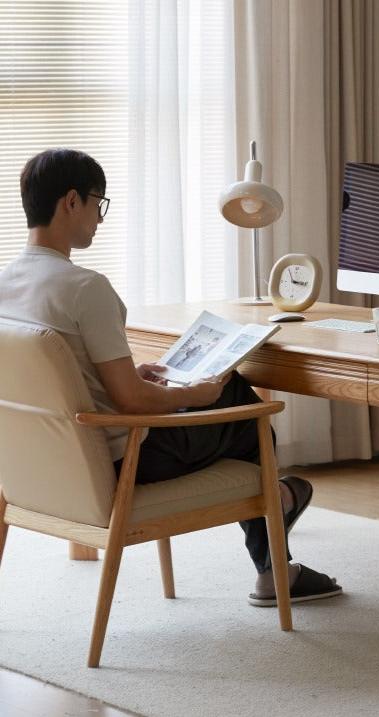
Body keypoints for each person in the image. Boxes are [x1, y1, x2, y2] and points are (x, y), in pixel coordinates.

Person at [0, 148, 342, 606]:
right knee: (243, 402)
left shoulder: (6, 285)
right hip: (125, 461)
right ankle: (275, 550)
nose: (99, 220)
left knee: (211, 396)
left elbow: (54, 380)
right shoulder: (85, 288)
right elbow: (134, 403)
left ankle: (277, 518)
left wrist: (124, 379)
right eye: (98, 204)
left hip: (43, 467)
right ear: (71, 202)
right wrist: (199, 393)